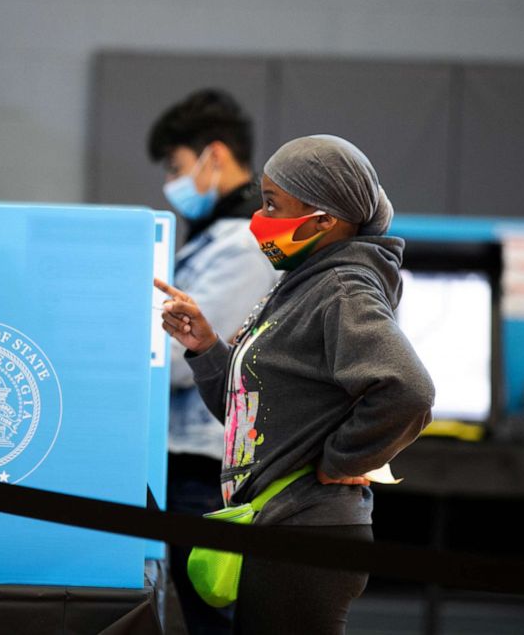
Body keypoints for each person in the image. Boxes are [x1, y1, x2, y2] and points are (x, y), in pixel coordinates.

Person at [156, 134, 435, 634]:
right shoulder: (300, 284)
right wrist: (205, 347)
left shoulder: (343, 289)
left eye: (272, 204)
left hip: (308, 528)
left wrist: (340, 460)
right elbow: (252, 416)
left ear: (325, 219)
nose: (259, 219)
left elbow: (409, 392)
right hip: (279, 524)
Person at [147, 89, 278, 634]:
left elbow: (186, 358)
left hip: (208, 471)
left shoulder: (243, 246)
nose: (173, 183)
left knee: (211, 621)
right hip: (191, 464)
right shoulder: (216, 239)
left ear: (215, 156)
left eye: (178, 167)